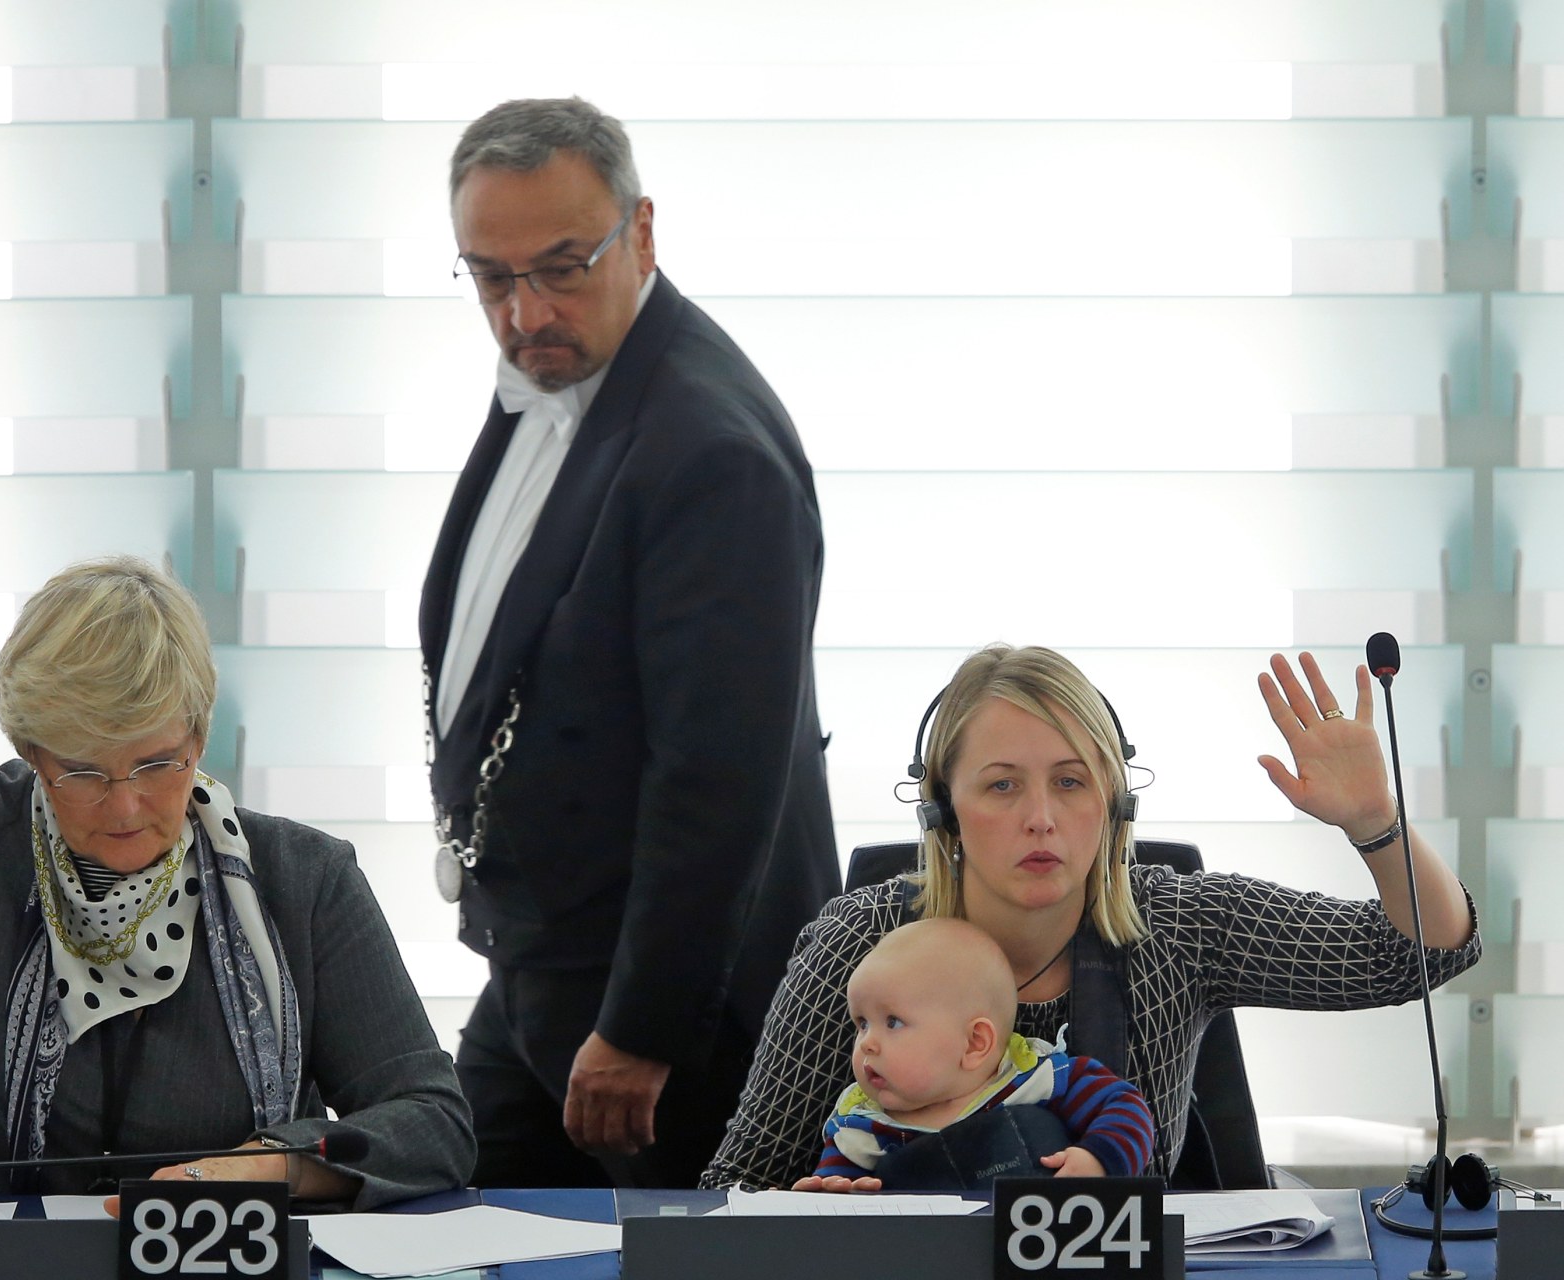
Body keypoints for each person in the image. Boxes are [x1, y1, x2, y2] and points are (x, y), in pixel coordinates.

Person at [0, 332, 475, 1204]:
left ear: (198, 734)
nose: (125, 805)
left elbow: (433, 1120)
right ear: (32, 755)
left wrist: (282, 1166)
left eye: (157, 764)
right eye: (82, 771)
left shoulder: (303, 883)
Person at [420, 97, 839, 1189]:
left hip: (666, 1020)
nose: (524, 313)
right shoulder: (562, 371)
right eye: (491, 277)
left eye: (561, 266)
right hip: (543, 969)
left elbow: (720, 777)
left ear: (641, 233)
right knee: (442, 1221)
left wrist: (644, 1025)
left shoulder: (713, 452)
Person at [704, 644, 1480, 1191]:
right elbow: (736, 1183)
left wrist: (1377, 822)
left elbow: (1415, 954)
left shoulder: (1178, 924)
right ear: (942, 809)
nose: (1041, 818)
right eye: (1003, 786)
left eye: (1072, 783)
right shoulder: (856, 942)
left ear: (1114, 802)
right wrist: (808, 1215)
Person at [804, 917, 1154, 1186]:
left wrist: (1099, 1159)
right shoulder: (859, 1132)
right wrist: (827, 1199)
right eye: (862, 1023)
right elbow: (833, 1213)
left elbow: (1125, 1107)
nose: (867, 1043)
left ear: (974, 1044)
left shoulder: (1041, 1080)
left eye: (893, 1022)